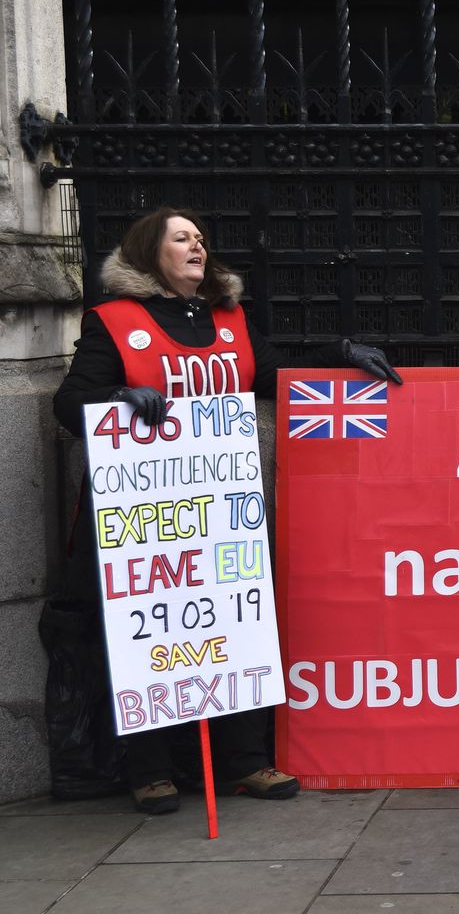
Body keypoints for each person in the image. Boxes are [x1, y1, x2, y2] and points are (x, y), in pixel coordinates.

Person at [52, 205, 403, 815]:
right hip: (143, 522)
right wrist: (117, 396)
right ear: (149, 252)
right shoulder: (114, 322)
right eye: (182, 238)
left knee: (236, 631)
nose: (198, 247)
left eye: (201, 239)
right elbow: (69, 403)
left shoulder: (229, 319)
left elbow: (276, 376)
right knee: (150, 638)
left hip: (219, 516)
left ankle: (244, 761)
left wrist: (340, 354)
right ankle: (150, 769)